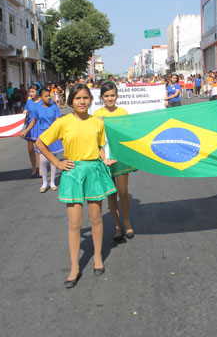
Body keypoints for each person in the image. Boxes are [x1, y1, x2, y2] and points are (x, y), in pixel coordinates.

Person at [35, 84, 117, 288]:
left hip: (94, 171)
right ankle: (74, 267)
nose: (82, 101)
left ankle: (97, 257)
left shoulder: (98, 123)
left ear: (90, 101)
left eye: (86, 98)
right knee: (75, 222)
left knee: (96, 217)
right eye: (78, 98)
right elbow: (40, 142)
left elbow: (99, 147)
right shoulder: (63, 122)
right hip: (72, 173)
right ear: (71, 101)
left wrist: (105, 158)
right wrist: (57, 162)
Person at [93, 82, 137, 241]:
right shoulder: (96, 114)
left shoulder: (123, 112)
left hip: (120, 156)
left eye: (112, 95)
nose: (110, 98)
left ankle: (127, 222)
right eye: (106, 96)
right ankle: (118, 226)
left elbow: (127, 133)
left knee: (123, 191)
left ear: (117, 96)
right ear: (102, 98)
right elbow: (94, 138)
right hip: (104, 157)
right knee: (111, 194)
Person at [21, 88, 63, 192]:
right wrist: (25, 131)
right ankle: (44, 182)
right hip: (42, 136)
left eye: (49, 95)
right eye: (46, 96)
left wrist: (57, 133)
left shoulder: (54, 107)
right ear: (41, 97)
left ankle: (52, 182)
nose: (48, 97)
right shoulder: (38, 108)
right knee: (43, 160)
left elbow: (58, 121)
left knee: (53, 159)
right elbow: (33, 121)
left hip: (52, 135)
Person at [23, 85, 42, 177]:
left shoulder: (42, 101)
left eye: (33, 92)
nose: (31, 94)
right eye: (30, 92)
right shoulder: (29, 102)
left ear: (37, 92)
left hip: (39, 125)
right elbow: (25, 112)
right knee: (30, 149)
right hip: (30, 126)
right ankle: (34, 168)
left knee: (38, 149)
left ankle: (41, 170)